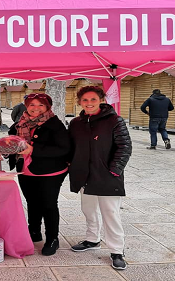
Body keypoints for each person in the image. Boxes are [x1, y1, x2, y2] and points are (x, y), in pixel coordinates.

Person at [68, 86, 132, 270]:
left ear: (102, 100)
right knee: (88, 209)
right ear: (80, 101)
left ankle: (117, 250)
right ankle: (92, 239)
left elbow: (124, 146)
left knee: (110, 213)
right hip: (84, 175)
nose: (89, 103)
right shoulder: (75, 123)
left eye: (93, 99)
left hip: (107, 175)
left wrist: (114, 170)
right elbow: (71, 147)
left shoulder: (114, 120)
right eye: (85, 100)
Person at [8, 93, 70, 256]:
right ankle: (34, 231)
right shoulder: (20, 123)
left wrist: (34, 150)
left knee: (48, 204)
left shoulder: (55, 124)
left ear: (47, 107)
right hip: (25, 170)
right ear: (26, 106)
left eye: (40, 105)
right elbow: (12, 140)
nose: (36, 108)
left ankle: (52, 239)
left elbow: (64, 149)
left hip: (50, 171)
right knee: (32, 202)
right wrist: (6, 148)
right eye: (32, 105)